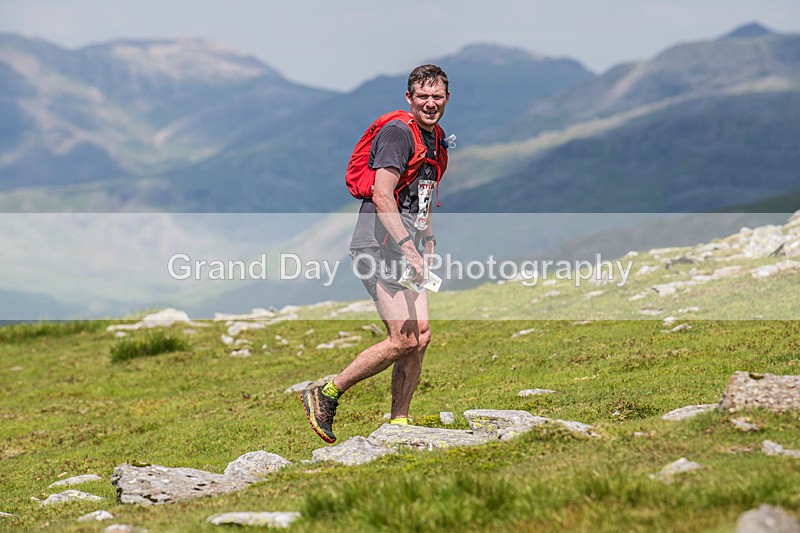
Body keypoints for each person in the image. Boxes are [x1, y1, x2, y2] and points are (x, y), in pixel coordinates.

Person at [302, 64, 450, 443]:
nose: (430, 104)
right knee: (402, 339)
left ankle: (398, 423)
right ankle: (326, 392)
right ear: (409, 98)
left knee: (422, 335)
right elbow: (383, 194)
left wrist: (428, 244)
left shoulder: (436, 141)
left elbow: (424, 197)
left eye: (437, 97)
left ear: (447, 99)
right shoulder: (398, 134)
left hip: (408, 248)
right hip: (377, 244)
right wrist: (406, 246)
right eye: (423, 97)